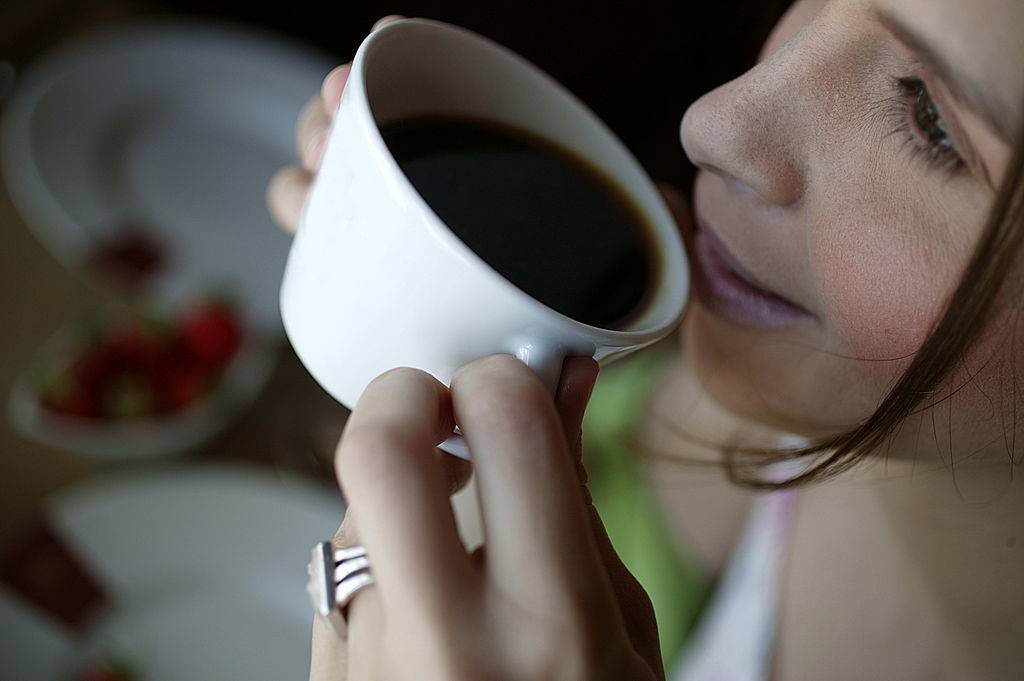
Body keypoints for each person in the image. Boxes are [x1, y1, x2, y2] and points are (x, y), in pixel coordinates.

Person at [266, 1, 1023, 678]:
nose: (713, 123)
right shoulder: (800, 440)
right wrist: (456, 300)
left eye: (928, 121)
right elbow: (613, 529)